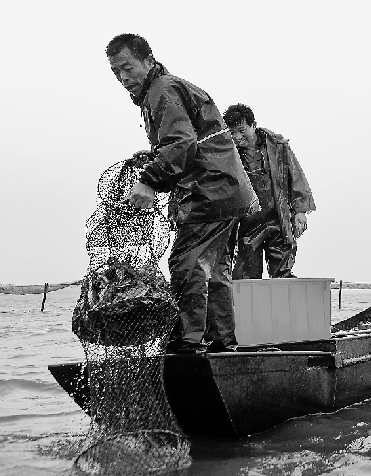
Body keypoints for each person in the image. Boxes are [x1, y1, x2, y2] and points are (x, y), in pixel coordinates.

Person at [105, 34, 258, 353]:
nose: (123, 78)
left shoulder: (162, 89)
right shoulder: (159, 92)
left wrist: (150, 180)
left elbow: (181, 144)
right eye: (116, 72)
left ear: (148, 61)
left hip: (212, 190)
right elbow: (186, 140)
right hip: (225, 191)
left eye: (128, 67)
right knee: (214, 270)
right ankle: (223, 343)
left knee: (186, 262)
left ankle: (185, 344)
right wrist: (155, 159)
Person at [223, 103, 316, 279]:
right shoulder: (229, 153)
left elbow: (296, 177)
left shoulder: (278, 145)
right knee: (245, 274)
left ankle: (285, 305)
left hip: (278, 218)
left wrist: (300, 212)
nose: (237, 136)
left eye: (242, 130)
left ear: (253, 124)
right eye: (233, 132)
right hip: (247, 224)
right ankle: (247, 306)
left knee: (283, 271)